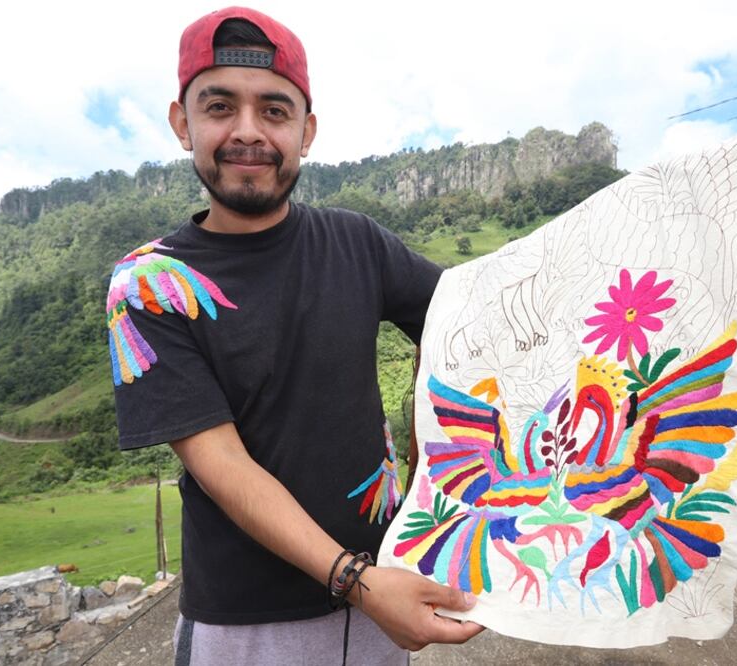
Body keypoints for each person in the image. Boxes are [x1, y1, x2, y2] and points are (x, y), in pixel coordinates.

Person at [106, 6, 483, 664]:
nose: (247, 132)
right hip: (246, 627)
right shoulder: (147, 284)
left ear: (305, 132)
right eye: (219, 106)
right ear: (181, 122)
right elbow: (221, 466)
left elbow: (474, 320)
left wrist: (436, 464)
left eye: (274, 111)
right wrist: (357, 583)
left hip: (383, 595)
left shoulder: (357, 243)